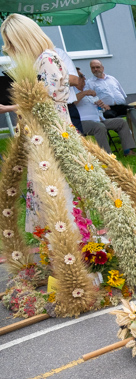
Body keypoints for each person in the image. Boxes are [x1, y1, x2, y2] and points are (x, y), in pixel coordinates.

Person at [0, 14, 76, 231]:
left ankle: (69, 242)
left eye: (12, 43)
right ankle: (59, 243)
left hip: (51, 133)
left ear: (24, 38)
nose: (10, 49)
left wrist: (12, 107)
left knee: (56, 187)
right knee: (49, 187)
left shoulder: (47, 59)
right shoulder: (40, 61)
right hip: (43, 133)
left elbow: (45, 100)